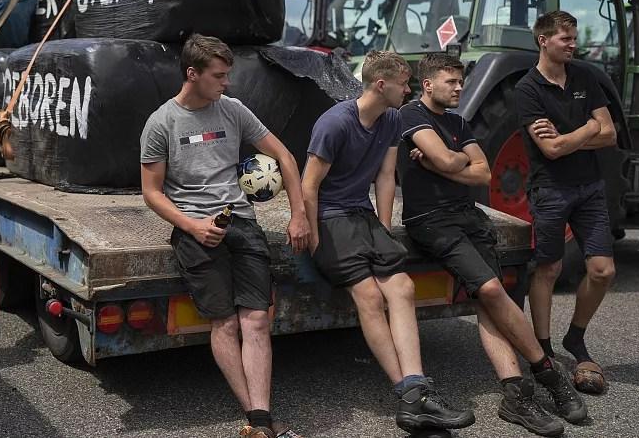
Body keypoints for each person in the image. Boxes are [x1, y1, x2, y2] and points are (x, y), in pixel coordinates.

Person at [400, 53, 585, 436]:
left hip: (469, 217)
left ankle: (515, 397)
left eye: (459, 81)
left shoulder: (457, 121)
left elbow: (479, 171)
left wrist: (441, 163)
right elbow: (450, 161)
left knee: (492, 299)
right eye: (450, 82)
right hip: (431, 222)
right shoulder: (410, 116)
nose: (459, 88)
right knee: (488, 288)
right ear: (428, 84)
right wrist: (449, 162)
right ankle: (547, 373)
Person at [140, 33, 311, 438]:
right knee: (225, 324)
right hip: (196, 230)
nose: (226, 83)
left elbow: (285, 156)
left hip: (242, 222)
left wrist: (298, 214)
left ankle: (259, 421)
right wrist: (192, 226)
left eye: (227, 75)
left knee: (255, 320)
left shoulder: (232, 109)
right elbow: (150, 192)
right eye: (219, 75)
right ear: (192, 74)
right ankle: (260, 422)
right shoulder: (161, 122)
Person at [300, 50, 474, 434]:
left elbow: (385, 175)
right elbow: (309, 186)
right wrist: (313, 240)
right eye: (404, 83)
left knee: (402, 287)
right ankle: (412, 396)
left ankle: (416, 389)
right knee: (369, 297)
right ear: (381, 85)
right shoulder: (335, 123)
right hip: (331, 217)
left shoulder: (392, 119)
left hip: (362, 217)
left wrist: (383, 228)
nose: (408, 90)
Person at [515, 10, 617, 396]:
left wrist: (576, 134)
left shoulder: (585, 76)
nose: (573, 44)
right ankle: (542, 346)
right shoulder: (527, 89)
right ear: (544, 40)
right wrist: (588, 127)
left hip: (590, 186)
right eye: (565, 39)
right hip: (550, 188)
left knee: (603, 270)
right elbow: (551, 151)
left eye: (573, 38)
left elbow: (608, 135)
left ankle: (576, 338)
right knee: (549, 267)